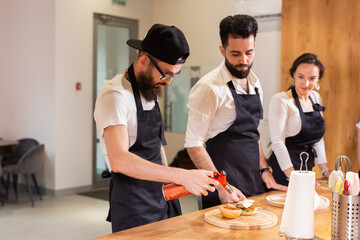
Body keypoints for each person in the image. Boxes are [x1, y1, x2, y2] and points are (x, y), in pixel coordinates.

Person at [94, 24, 218, 232]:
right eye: (166, 74)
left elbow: (156, 144)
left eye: (174, 75)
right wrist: (181, 175)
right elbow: (119, 160)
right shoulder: (115, 96)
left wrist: (169, 185)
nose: (169, 82)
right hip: (133, 202)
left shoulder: (149, 88)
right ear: (144, 60)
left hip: (161, 194)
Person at [185, 15, 287, 209]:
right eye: (235, 54)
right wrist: (222, 186)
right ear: (222, 50)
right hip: (224, 184)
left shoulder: (255, 83)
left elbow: (252, 133)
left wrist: (264, 170)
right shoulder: (208, 87)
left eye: (249, 52)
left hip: (254, 180)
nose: (244, 61)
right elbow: (194, 145)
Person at [267, 53, 331, 186]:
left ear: (318, 79)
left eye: (312, 78)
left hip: (306, 168)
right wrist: (293, 175)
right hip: (283, 171)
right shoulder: (281, 100)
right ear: (293, 75)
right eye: (301, 77)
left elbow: (317, 139)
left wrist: (326, 171)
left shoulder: (315, 98)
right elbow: (278, 142)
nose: (306, 83)